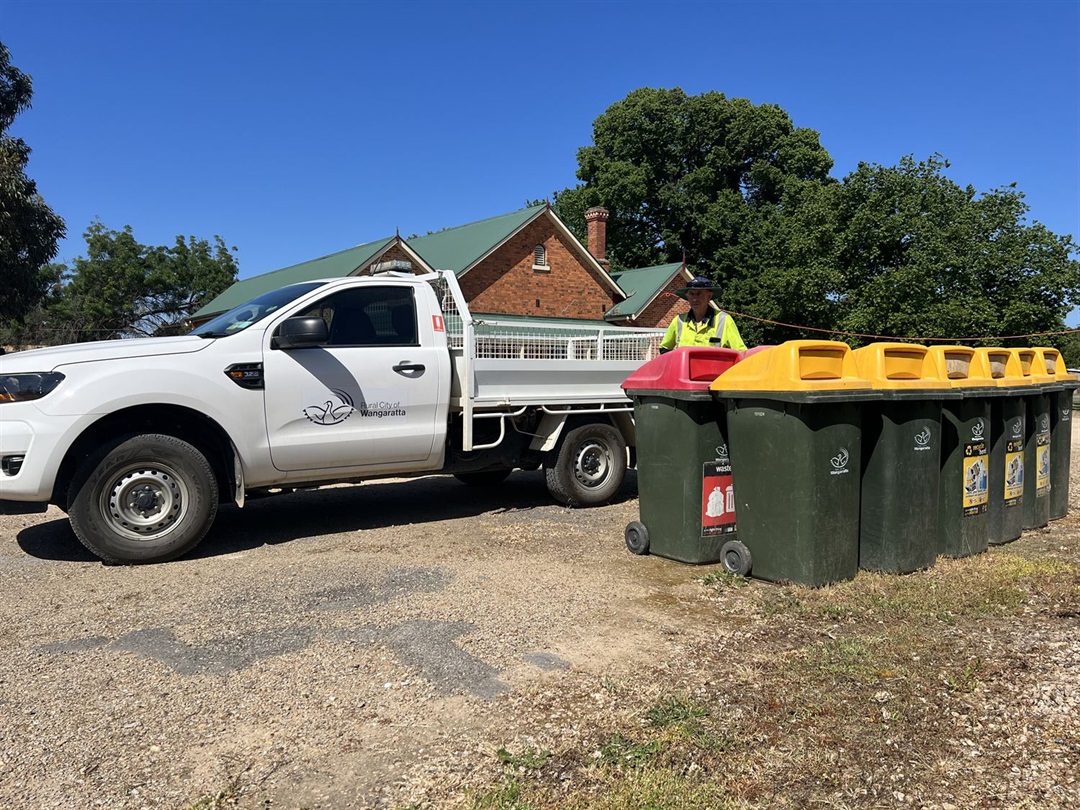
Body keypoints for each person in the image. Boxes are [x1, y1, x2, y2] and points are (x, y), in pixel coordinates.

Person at [659, 276, 746, 353]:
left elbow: (741, 352)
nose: (694, 299)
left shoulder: (724, 320)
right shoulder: (679, 321)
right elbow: (664, 348)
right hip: (685, 371)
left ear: (709, 296)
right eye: (691, 294)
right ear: (687, 296)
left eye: (699, 294)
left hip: (715, 371)